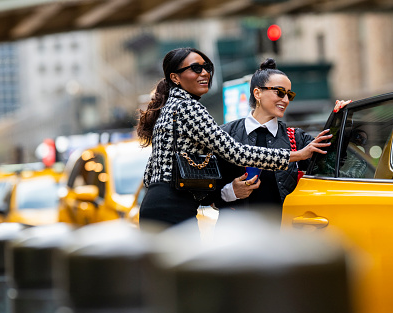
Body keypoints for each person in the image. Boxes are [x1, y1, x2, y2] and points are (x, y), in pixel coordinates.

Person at [136, 48, 333, 227]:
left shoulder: (172, 107)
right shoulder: (188, 107)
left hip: (162, 204)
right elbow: (235, 152)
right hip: (174, 208)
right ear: (175, 77)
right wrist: (296, 155)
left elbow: (149, 173)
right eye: (196, 68)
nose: (204, 73)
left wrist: (338, 118)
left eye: (207, 67)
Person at [214, 58, 351, 224]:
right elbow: (205, 192)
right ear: (257, 93)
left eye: (289, 94)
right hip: (235, 237)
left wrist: (342, 121)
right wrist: (232, 191)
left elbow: (331, 165)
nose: (285, 100)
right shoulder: (224, 134)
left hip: (282, 236)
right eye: (279, 92)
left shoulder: (296, 138)